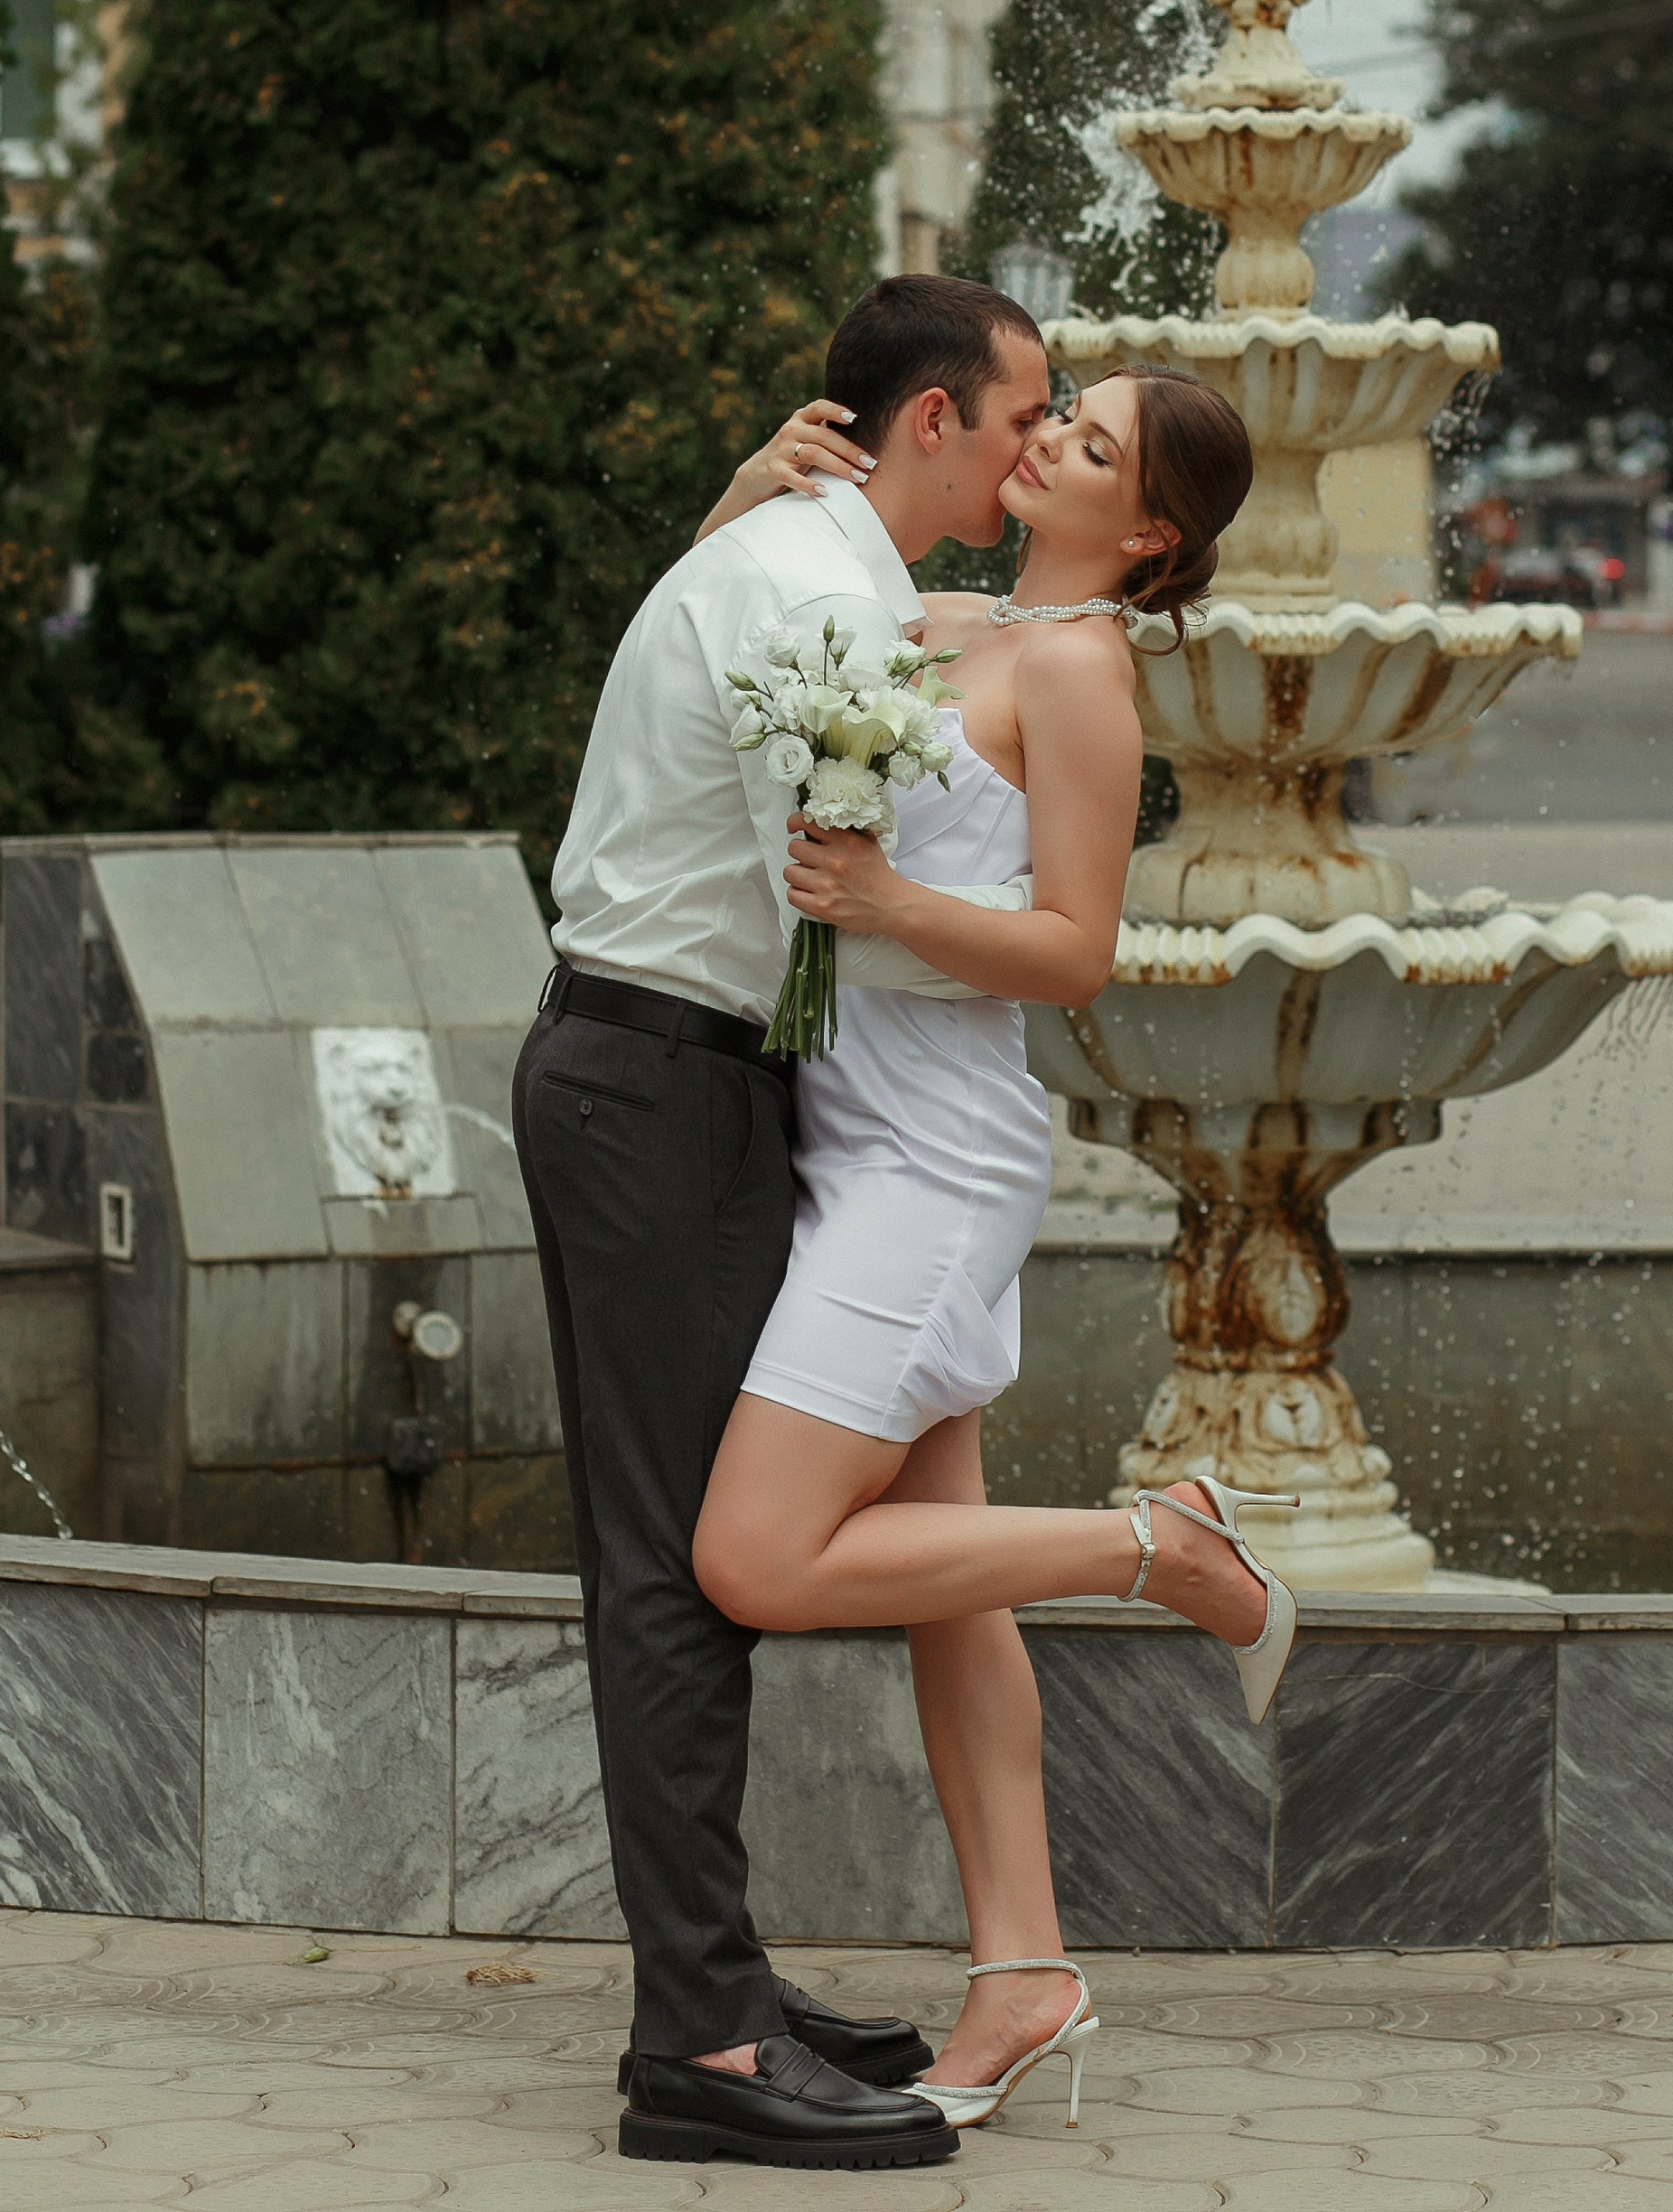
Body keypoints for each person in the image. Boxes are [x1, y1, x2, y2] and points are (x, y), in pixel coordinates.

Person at [686, 357, 1276, 2143]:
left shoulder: (1084, 671)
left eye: (1089, 446)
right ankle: (1021, 1970)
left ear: (1147, 531)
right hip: (842, 1131)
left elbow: (1078, 952)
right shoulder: (932, 608)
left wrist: (881, 903)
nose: (1049, 442)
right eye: (1058, 415)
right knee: (946, 1577)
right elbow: (707, 646)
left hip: (931, 1164)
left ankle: (1156, 1543)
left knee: (756, 1558)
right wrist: (742, 492)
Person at [516, 274, 1052, 2175]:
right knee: (675, 1568)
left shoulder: (804, 565)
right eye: (1014, 422)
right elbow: (823, 884)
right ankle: (704, 2049)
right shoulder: (810, 594)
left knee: (689, 1564)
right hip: (656, 1085)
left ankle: (719, 1986)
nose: (1027, 452)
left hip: (697, 1086)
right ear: (930, 423)